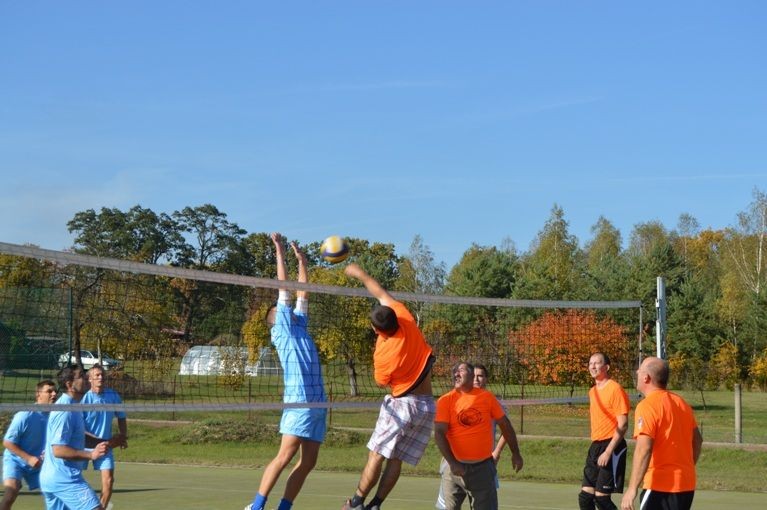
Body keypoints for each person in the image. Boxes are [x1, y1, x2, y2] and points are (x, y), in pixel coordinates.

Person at [342, 262, 436, 510]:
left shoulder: (383, 355)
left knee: (377, 454)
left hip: (403, 405)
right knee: (396, 459)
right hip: (427, 406)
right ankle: (376, 505)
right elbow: (380, 292)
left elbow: (381, 382)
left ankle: (356, 503)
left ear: (376, 330)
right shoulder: (406, 318)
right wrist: (361, 273)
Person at [245, 233, 327, 510]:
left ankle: (284, 507)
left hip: (319, 401)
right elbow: (285, 288)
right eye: (283, 308)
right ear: (275, 318)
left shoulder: (299, 324)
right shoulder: (281, 330)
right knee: (285, 456)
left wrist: (302, 261)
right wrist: (279, 249)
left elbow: (303, 291)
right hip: (299, 401)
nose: (290, 307)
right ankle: (256, 506)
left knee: (309, 462)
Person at [434, 361, 523, 510]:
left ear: (471, 375)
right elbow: (439, 433)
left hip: (482, 468)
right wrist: (453, 462)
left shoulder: (487, 398)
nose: (456, 373)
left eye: (460, 370)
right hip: (453, 468)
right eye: (454, 371)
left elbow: (505, 426)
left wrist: (516, 453)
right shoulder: (445, 400)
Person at [620, 357, 703, 510]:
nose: (637, 372)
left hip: (660, 486)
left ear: (646, 377)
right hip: (686, 486)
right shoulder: (681, 403)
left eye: (640, 370)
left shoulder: (647, 406)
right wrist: (685, 468)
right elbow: (697, 440)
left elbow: (644, 449)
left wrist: (632, 489)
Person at [40, 365, 110, 510]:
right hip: (64, 479)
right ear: (69, 384)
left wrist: (106, 442)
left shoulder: (74, 406)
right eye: (81, 376)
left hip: (55, 478)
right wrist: (91, 454)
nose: (86, 378)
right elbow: (59, 450)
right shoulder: (65, 410)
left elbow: (78, 436)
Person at [579, 352, 630, 510]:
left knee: (601, 499)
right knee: (585, 497)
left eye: (597, 363)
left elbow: (623, 424)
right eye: (590, 363)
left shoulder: (615, 389)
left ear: (606, 367)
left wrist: (608, 452)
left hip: (612, 446)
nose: (592, 366)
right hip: (596, 445)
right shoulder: (592, 391)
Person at [1, 380, 57, 510]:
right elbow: (7, 442)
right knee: (10, 494)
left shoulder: (56, 415)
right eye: (49, 391)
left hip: (39, 463)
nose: (54, 394)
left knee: (57, 493)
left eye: (55, 391)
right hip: (16, 460)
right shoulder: (25, 415)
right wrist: (29, 458)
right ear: (38, 394)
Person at [82, 364, 128, 509]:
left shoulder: (113, 395)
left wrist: (123, 436)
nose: (101, 377)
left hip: (105, 445)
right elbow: (78, 426)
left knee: (108, 481)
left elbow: (121, 417)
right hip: (83, 445)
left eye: (102, 375)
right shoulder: (84, 398)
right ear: (90, 379)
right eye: (97, 375)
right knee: (73, 480)